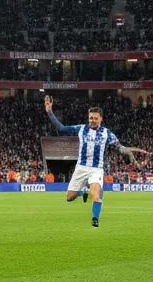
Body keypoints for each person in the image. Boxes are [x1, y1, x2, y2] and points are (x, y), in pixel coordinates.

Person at [44, 94, 146, 229]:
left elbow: (119, 148)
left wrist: (127, 152)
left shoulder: (107, 134)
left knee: (96, 196)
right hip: (81, 168)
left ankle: (95, 219)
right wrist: (49, 111)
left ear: (101, 119)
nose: (92, 120)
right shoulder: (81, 129)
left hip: (96, 169)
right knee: (69, 197)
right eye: (90, 118)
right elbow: (61, 129)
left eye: (95, 118)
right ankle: (83, 192)